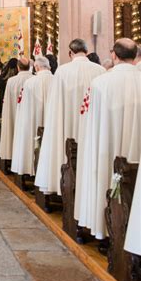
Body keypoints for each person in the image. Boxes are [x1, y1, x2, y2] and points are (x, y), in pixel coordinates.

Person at [76, 38, 141, 240]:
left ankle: (103, 230)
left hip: (107, 149)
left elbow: (89, 121)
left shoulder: (100, 83)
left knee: (104, 179)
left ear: (114, 55)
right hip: (136, 153)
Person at [35, 38, 105, 197]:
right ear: (86, 52)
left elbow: (55, 103)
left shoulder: (62, 71)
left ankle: (63, 186)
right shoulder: (99, 70)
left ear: (69, 53)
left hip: (66, 125)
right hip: (91, 125)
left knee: (65, 151)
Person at [11, 56, 53, 177]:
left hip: (33, 124)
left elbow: (22, 106)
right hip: (51, 126)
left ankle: (31, 168)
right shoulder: (57, 80)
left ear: (36, 67)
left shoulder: (29, 83)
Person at [0, 57, 33, 163]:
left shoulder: (11, 81)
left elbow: (6, 101)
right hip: (30, 117)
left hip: (13, 114)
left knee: (12, 133)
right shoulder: (33, 79)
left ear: (18, 67)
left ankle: (12, 157)